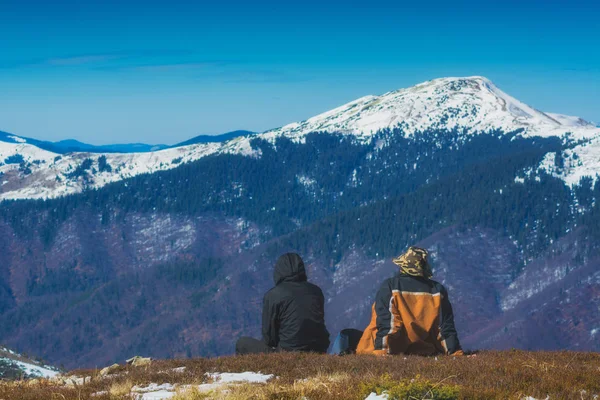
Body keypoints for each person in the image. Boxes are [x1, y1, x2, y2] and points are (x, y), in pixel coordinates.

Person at [356, 246, 464, 356]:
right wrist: (455, 353)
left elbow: (388, 324)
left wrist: (381, 351)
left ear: (403, 266)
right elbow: (445, 327)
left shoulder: (391, 287)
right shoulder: (437, 291)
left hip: (389, 351)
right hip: (424, 351)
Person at [236, 253, 330, 355]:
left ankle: (252, 370)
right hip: (319, 351)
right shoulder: (316, 291)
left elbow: (269, 338)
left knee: (242, 343)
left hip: (288, 354)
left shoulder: (273, 295)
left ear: (279, 272)